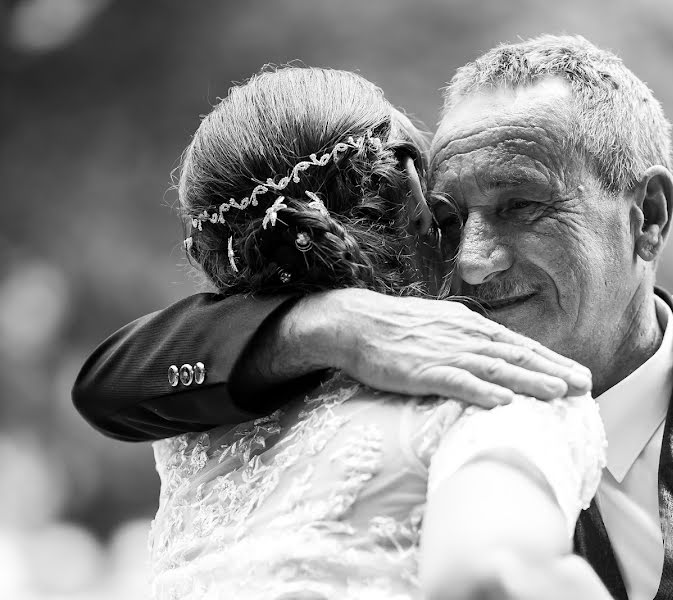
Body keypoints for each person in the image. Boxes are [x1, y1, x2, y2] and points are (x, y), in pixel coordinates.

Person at [72, 34, 673, 599]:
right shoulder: (396, 385)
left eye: (520, 206)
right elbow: (111, 380)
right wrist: (326, 322)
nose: (470, 261)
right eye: (446, 217)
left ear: (646, 216)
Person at [145, 65, 613, 600]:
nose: (473, 258)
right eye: (449, 215)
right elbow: (490, 579)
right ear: (414, 198)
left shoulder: (187, 428)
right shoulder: (497, 389)